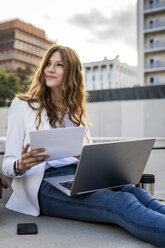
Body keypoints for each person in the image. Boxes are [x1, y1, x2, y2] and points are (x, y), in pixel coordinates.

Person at [2, 44, 165, 247]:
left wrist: (84, 157)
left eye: (59, 65)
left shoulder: (75, 111)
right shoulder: (24, 105)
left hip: (79, 176)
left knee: (134, 191)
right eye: (48, 64)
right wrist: (20, 165)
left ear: (71, 73)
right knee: (121, 202)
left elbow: (89, 153)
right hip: (43, 185)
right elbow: (7, 163)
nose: (50, 70)